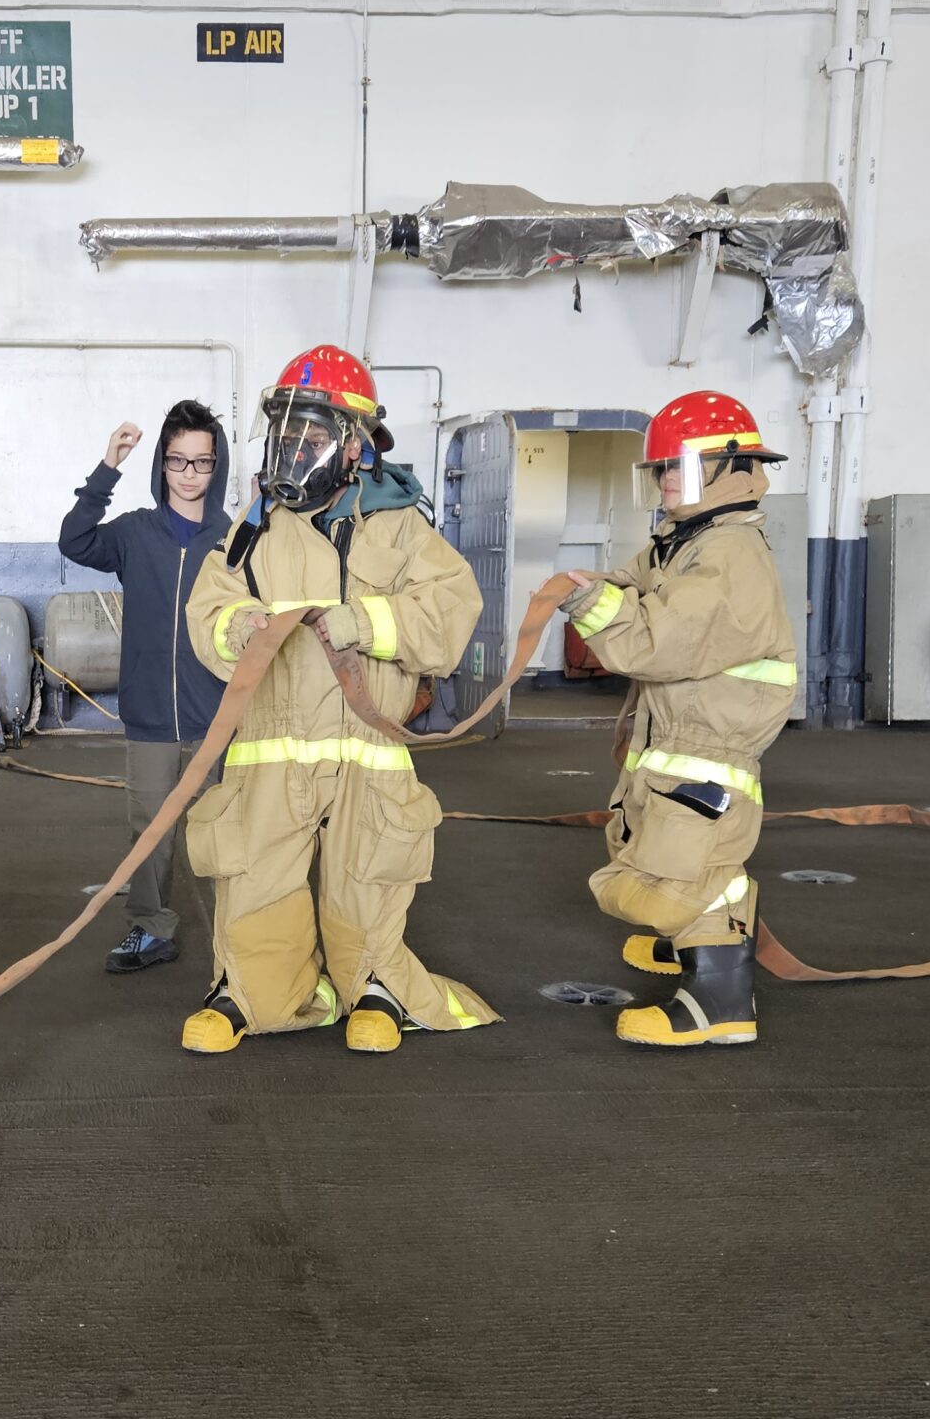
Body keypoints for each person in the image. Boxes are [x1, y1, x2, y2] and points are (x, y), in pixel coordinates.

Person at [178, 345, 498, 1055]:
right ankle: (254, 993)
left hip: (366, 747)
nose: (295, 447)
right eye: (286, 431)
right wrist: (238, 628)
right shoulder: (254, 526)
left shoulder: (399, 523)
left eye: (312, 433)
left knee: (367, 875)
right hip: (270, 750)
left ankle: (375, 986)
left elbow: (452, 610)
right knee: (256, 873)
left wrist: (370, 624)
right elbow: (209, 607)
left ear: (354, 444)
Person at [561, 389, 796, 1048]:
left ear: (733, 469)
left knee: (692, 870)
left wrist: (592, 607)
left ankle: (720, 1003)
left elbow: (654, 641)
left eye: (682, 467)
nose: (667, 480)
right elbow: (632, 583)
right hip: (678, 737)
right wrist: (597, 588)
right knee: (657, 848)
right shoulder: (684, 542)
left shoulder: (730, 554)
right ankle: (693, 947)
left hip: (709, 745)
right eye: (661, 468)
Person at [56, 400, 230, 973]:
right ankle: (152, 929)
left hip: (216, 716)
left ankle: (240, 933)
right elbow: (75, 541)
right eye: (177, 460)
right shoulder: (135, 532)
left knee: (225, 828)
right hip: (151, 714)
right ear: (162, 464)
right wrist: (108, 467)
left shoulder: (235, 540)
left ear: (217, 465)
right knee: (150, 830)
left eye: (201, 462)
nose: (189, 474)